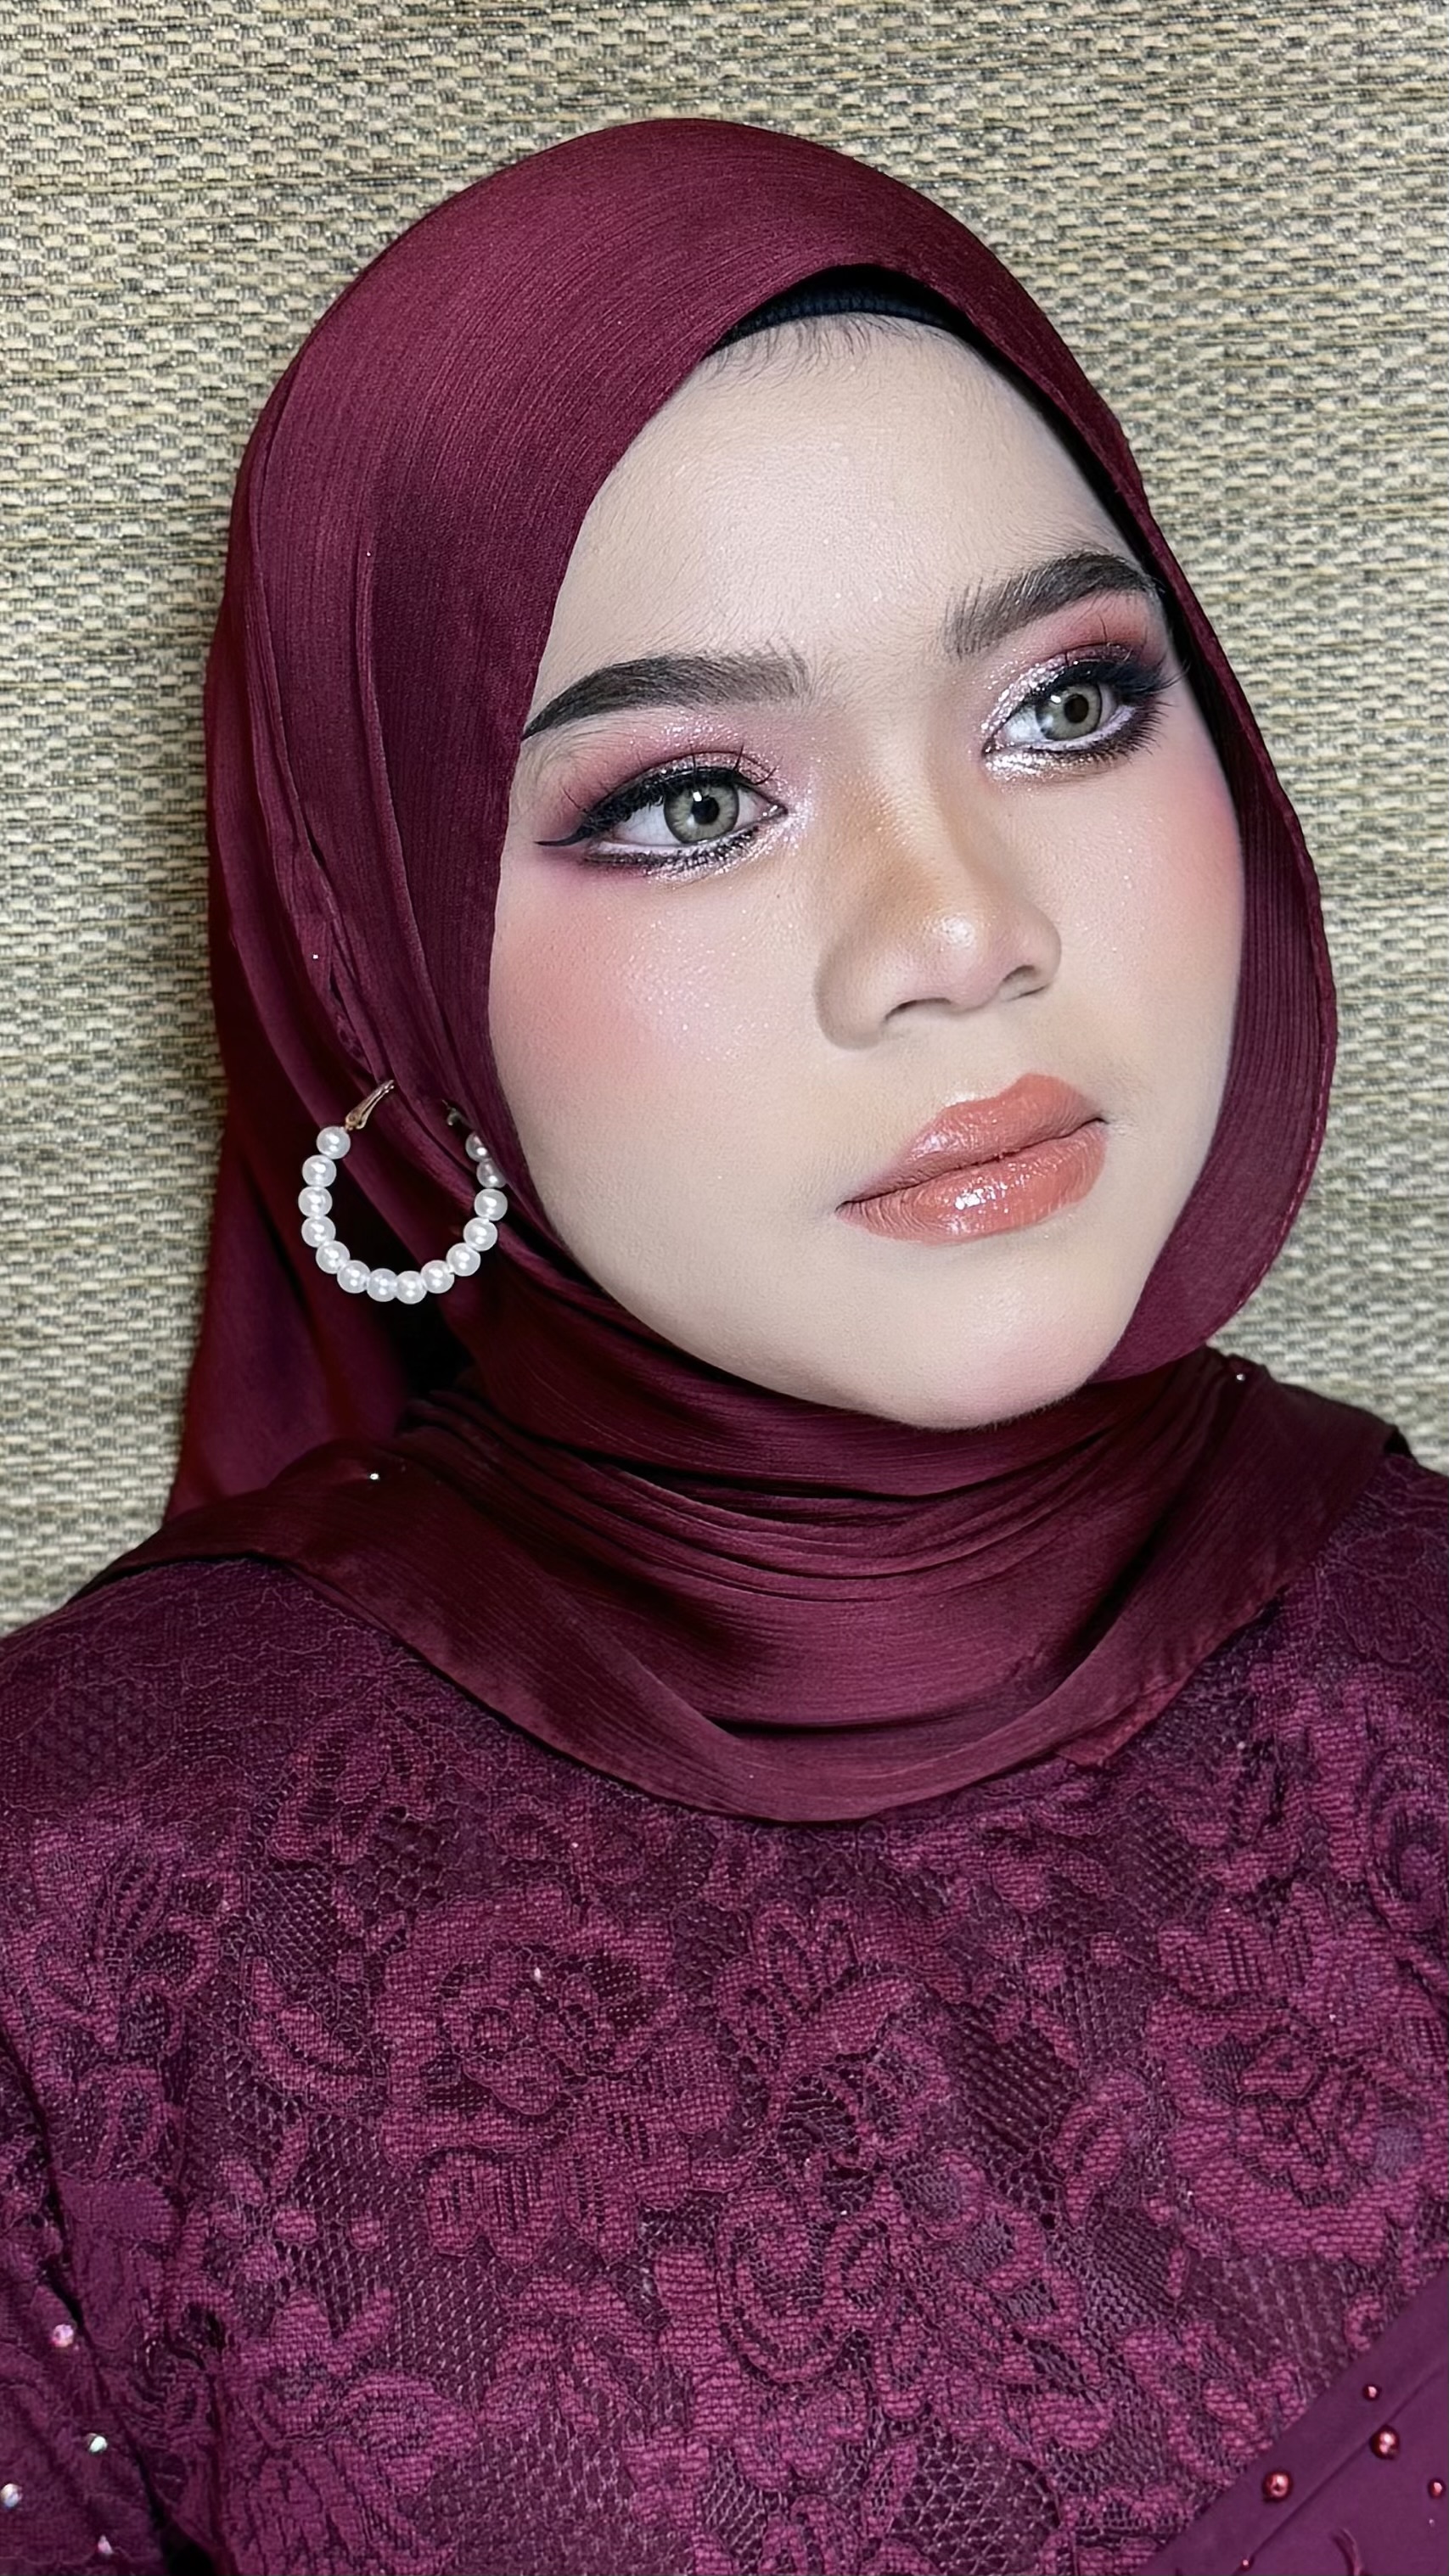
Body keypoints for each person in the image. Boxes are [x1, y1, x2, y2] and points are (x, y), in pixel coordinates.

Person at [0, 115, 1443, 2576]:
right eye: (688, 803)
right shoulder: (83, 1902)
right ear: (375, 958)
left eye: (1069, 703)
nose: (957, 933)